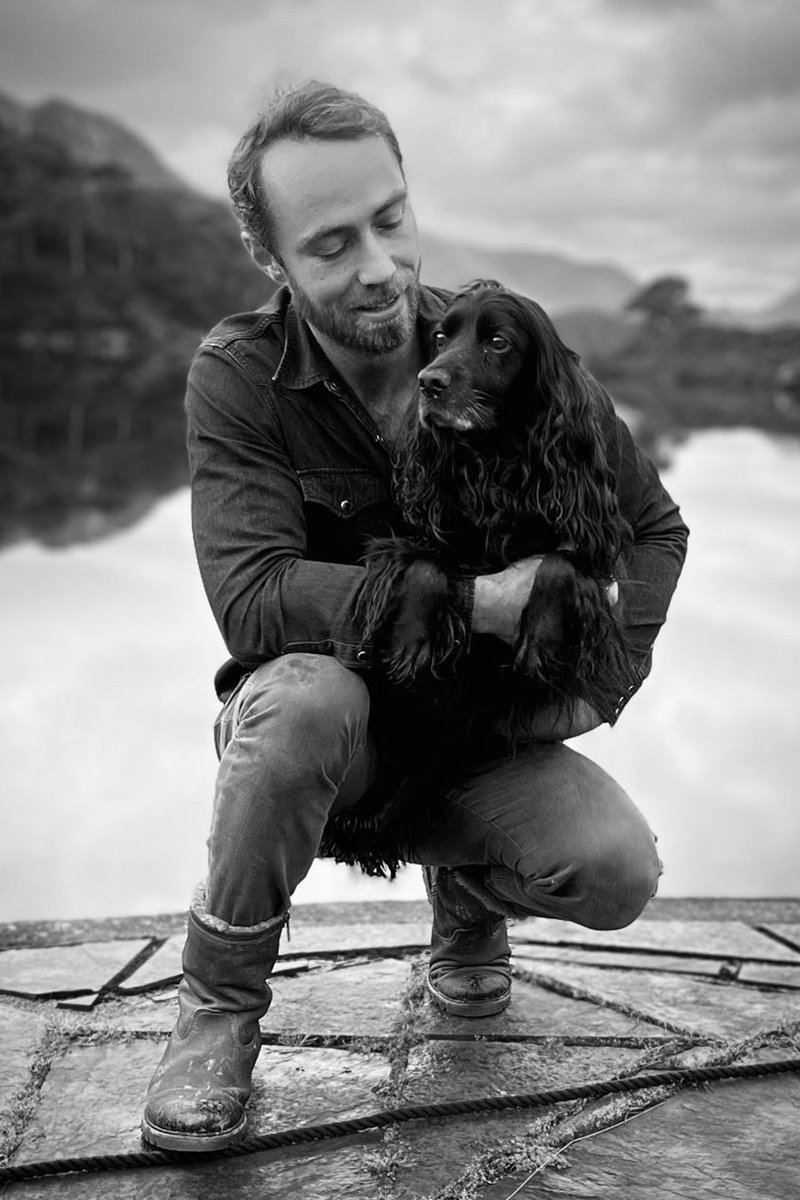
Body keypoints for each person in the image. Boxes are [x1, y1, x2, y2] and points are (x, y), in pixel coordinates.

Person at [141, 80, 688, 1152]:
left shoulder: (510, 344)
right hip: (330, 733)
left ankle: (467, 908)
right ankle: (215, 1016)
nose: (380, 265)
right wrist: (473, 603)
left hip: (475, 731)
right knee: (300, 703)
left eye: (389, 219)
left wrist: (590, 687)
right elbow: (252, 602)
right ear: (273, 260)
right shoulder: (239, 376)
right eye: (332, 242)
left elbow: (653, 529)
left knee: (616, 867)